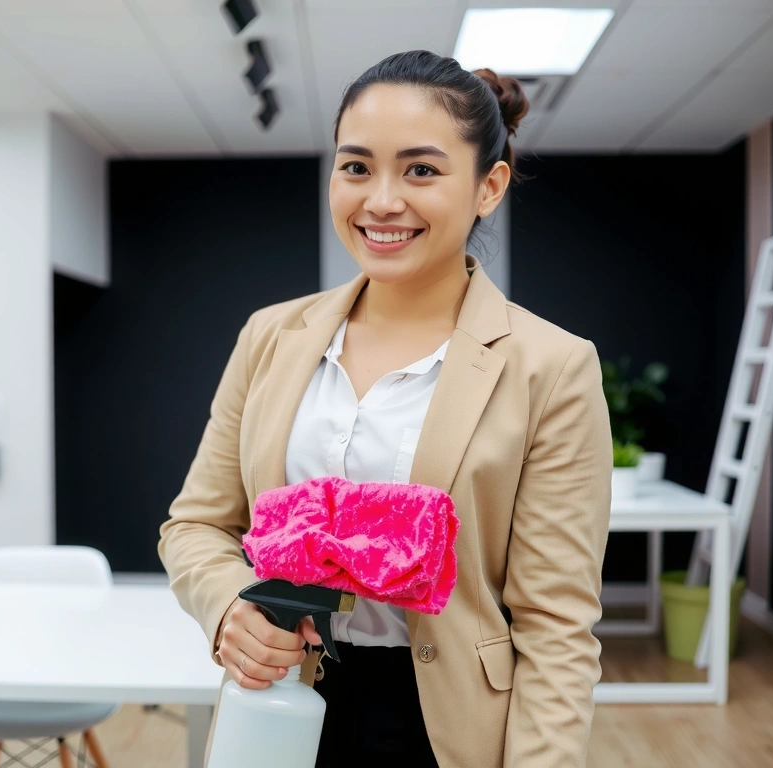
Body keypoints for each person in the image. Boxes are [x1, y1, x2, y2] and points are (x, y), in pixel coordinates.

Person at [158, 49, 612, 768]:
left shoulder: (550, 365)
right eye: (356, 166)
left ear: (489, 186)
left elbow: (557, 625)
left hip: (448, 722)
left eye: (422, 170)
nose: (381, 200)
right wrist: (228, 608)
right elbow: (197, 524)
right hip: (282, 698)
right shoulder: (272, 335)